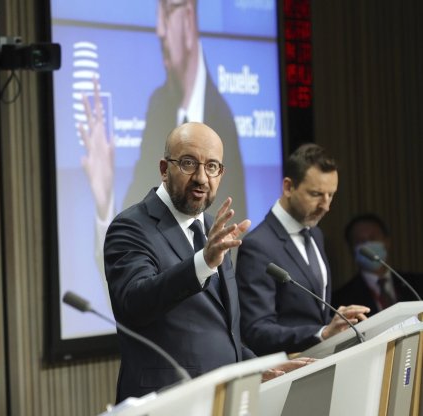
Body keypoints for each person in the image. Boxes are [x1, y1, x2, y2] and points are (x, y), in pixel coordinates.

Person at [104, 122, 306, 402]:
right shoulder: (131, 227)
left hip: (221, 398)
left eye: (212, 166)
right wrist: (203, 263)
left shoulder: (213, 228)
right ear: (164, 169)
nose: (201, 177)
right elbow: (134, 304)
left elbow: (222, 329)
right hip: (167, 399)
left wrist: (257, 366)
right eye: (189, 163)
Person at [82, 0, 246, 225]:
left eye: (167, 13)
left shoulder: (223, 119)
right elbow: (134, 230)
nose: (159, 30)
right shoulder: (158, 106)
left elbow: (237, 236)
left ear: (188, 18)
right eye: (188, 163)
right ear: (164, 169)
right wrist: (105, 201)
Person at [236, 144, 370, 356]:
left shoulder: (315, 234)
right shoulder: (258, 246)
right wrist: (321, 333)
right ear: (288, 187)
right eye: (316, 194)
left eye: (331, 195)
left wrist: (334, 325)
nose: (326, 206)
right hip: (286, 373)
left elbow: (315, 313)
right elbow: (256, 330)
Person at [333, 213, 423, 314]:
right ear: (351, 249)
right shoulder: (342, 299)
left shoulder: (417, 284)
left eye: (372, 238)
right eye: (360, 241)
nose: (367, 245)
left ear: (387, 241)